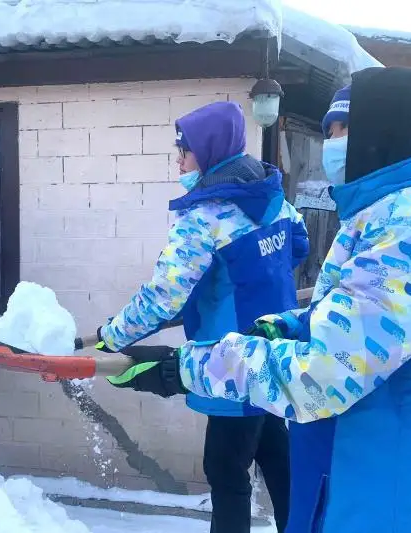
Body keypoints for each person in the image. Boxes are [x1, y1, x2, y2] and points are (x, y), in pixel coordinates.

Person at [106, 66, 411, 533]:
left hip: (408, 501)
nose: (331, 144)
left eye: (340, 131)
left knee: (228, 470)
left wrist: (182, 367)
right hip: (365, 476)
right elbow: (356, 311)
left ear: (383, 133)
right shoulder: (376, 214)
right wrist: (292, 324)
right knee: (272, 463)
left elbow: (323, 374)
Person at [97, 101, 309, 533]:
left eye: (184, 150)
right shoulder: (274, 200)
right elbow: (299, 246)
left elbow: (162, 300)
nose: (178, 159)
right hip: (277, 351)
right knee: (275, 454)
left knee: (227, 472)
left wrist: (111, 335)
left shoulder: (206, 217)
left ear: (209, 152)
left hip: (230, 362)